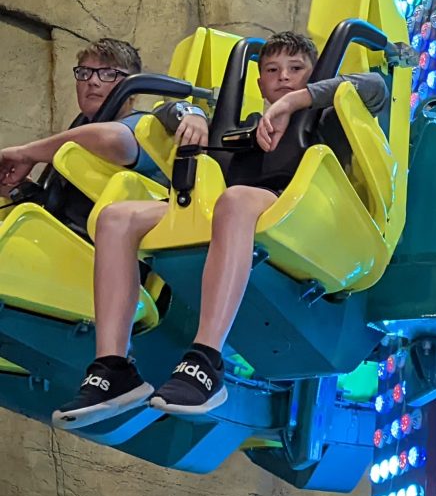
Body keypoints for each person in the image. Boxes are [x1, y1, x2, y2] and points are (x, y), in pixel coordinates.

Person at [53, 31, 387, 428]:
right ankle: (113, 367)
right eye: (273, 70)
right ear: (259, 81)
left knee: (235, 200)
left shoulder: (328, 112)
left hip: (309, 215)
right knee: (117, 217)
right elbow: (163, 113)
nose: (283, 78)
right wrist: (191, 115)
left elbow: (376, 88)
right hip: (230, 211)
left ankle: (205, 362)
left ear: (313, 75)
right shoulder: (238, 125)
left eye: (296, 70)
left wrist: (299, 100)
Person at [0, 37, 207, 197]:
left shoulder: (143, 124)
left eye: (108, 74)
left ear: (134, 90)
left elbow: (112, 140)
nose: (92, 81)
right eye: (84, 73)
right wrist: (13, 187)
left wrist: (25, 154)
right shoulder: (78, 130)